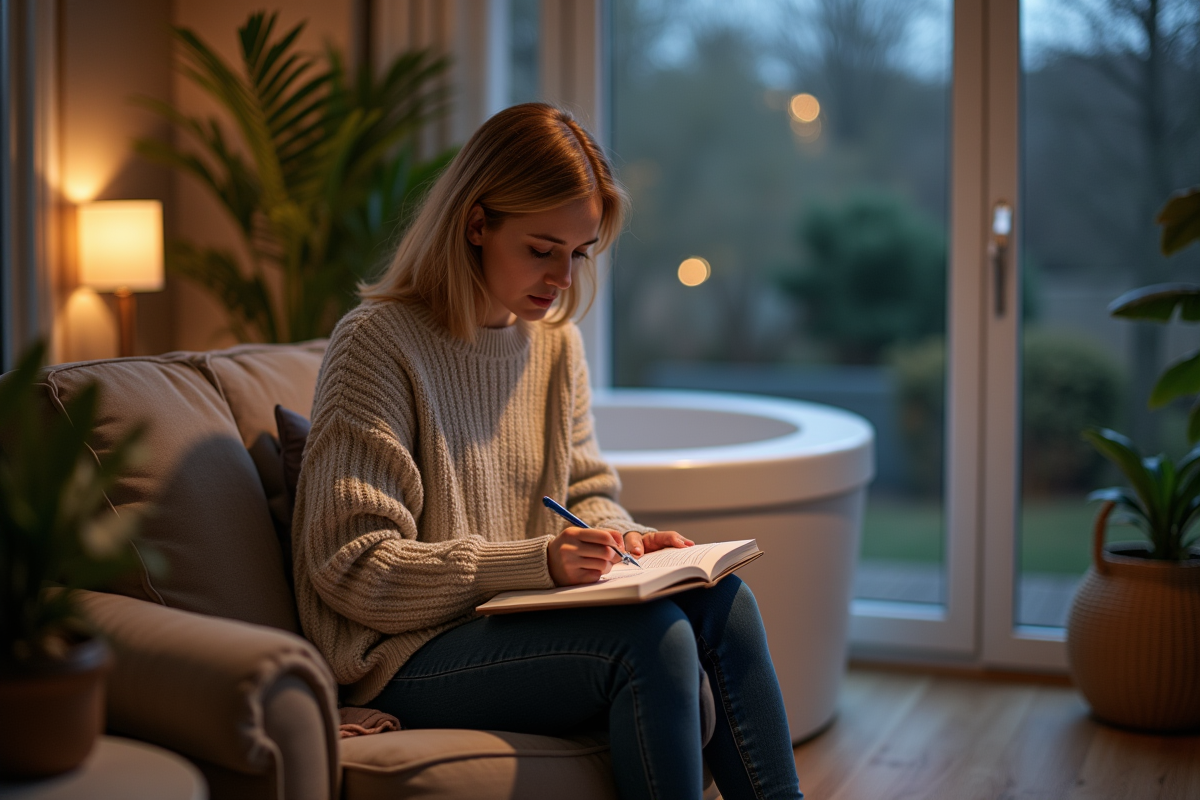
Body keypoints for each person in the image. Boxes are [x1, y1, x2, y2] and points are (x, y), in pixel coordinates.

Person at [292, 102, 803, 800]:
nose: (562, 278)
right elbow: (353, 567)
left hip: (521, 618)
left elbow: (586, 489)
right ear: (476, 223)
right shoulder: (377, 345)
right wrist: (538, 562)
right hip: (407, 654)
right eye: (541, 249)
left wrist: (627, 541)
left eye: (577, 253)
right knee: (652, 640)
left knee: (724, 601)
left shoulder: (554, 345)